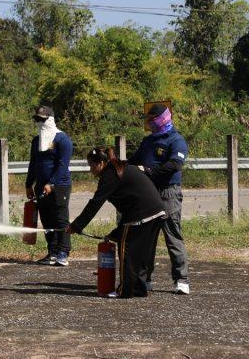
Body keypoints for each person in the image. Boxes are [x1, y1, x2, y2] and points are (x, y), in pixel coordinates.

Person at [67, 147, 166, 298]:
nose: (90, 169)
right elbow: (129, 205)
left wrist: (76, 225)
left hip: (140, 214)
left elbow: (95, 203)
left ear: (101, 163)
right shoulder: (119, 168)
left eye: (91, 165)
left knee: (127, 251)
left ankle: (126, 291)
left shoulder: (109, 174)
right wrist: (116, 233)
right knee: (140, 254)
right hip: (156, 212)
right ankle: (138, 289)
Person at [130, 103, 190, 295]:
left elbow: (174, 164)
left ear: (163, 118)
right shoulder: (147, 141)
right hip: (149, 194)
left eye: (152, 119)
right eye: (148, 120)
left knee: (173, 236)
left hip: (168, 193)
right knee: (148, 239)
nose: (150, 123)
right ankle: (145, 278)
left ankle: (181, 280)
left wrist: (149, 171)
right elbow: (134, 161)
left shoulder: (176, 140)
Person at [24, 105, 73, 266]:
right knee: (46, 219)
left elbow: (62, 165)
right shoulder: (36, 141)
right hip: (40, 186)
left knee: (60, 219)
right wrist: (28, 184)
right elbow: (33, 164)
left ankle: (63, 252)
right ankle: (52, 251)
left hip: (60, 186)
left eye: (42, 119)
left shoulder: (62, 139)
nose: (39, 122)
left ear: (50, 119)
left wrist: (52, 183)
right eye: (37, 119)